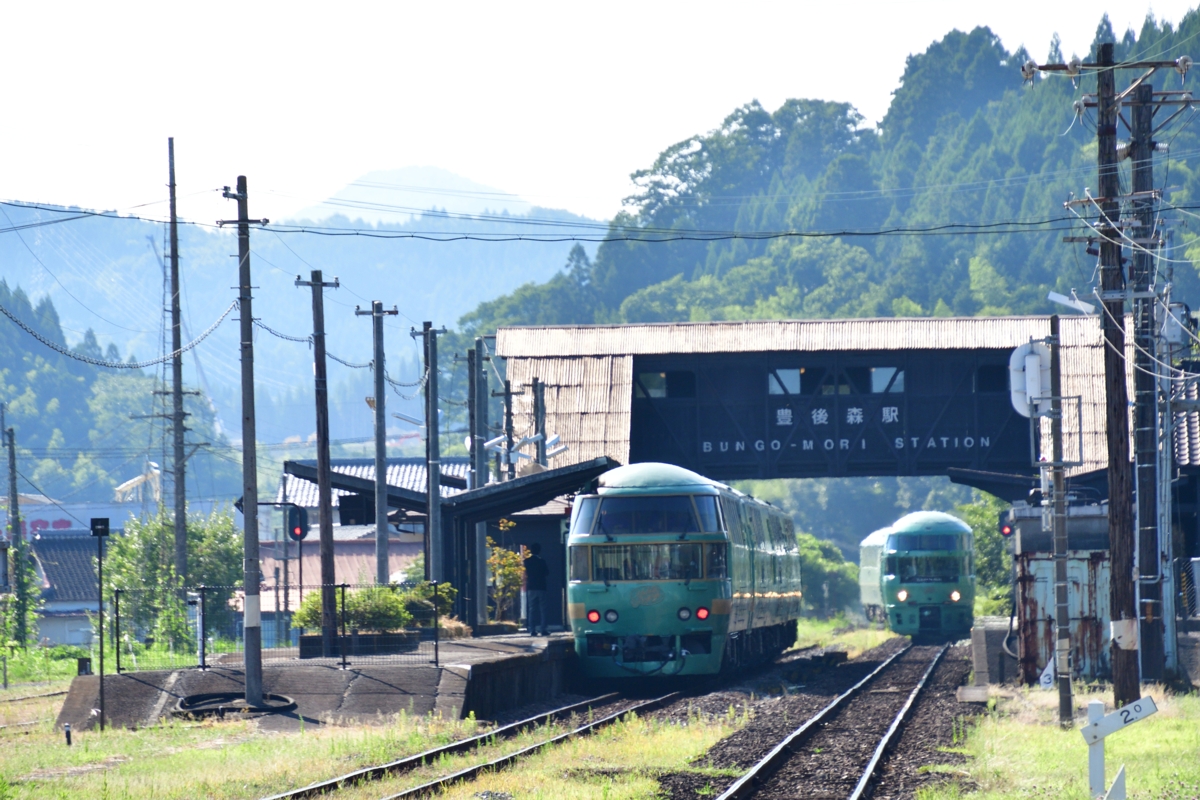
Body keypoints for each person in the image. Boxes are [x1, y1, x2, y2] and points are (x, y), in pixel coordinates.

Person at [523, 542, 550, 636]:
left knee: (532, 609)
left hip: (531, 587)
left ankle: (532, 630)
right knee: (543, 609)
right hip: (541, 587)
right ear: (539, 551)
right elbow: (547, 573)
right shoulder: (542, 561)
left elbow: (525, 573)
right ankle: (543, 629)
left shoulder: (527, 561)